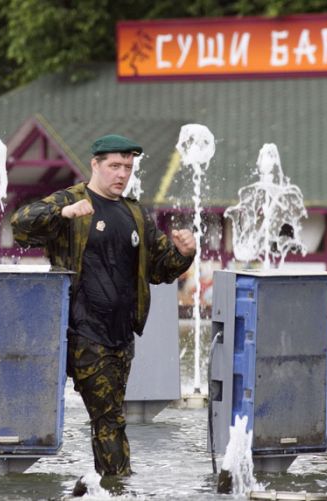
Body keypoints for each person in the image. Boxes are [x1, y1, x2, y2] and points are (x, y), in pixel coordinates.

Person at [11, 134, 196, 490]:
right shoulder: (72, 201)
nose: (122, 174)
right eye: (114, 165)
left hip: (120, 336)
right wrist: (62, 213)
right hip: (80, 331)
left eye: (127, 167)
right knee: (109, 418)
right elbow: (21, 225)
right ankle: (118, 486)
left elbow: (160, 270)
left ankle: (102, 486)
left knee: (108, 417)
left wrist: (185, 254)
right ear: (94, 164)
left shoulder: (136, 214)